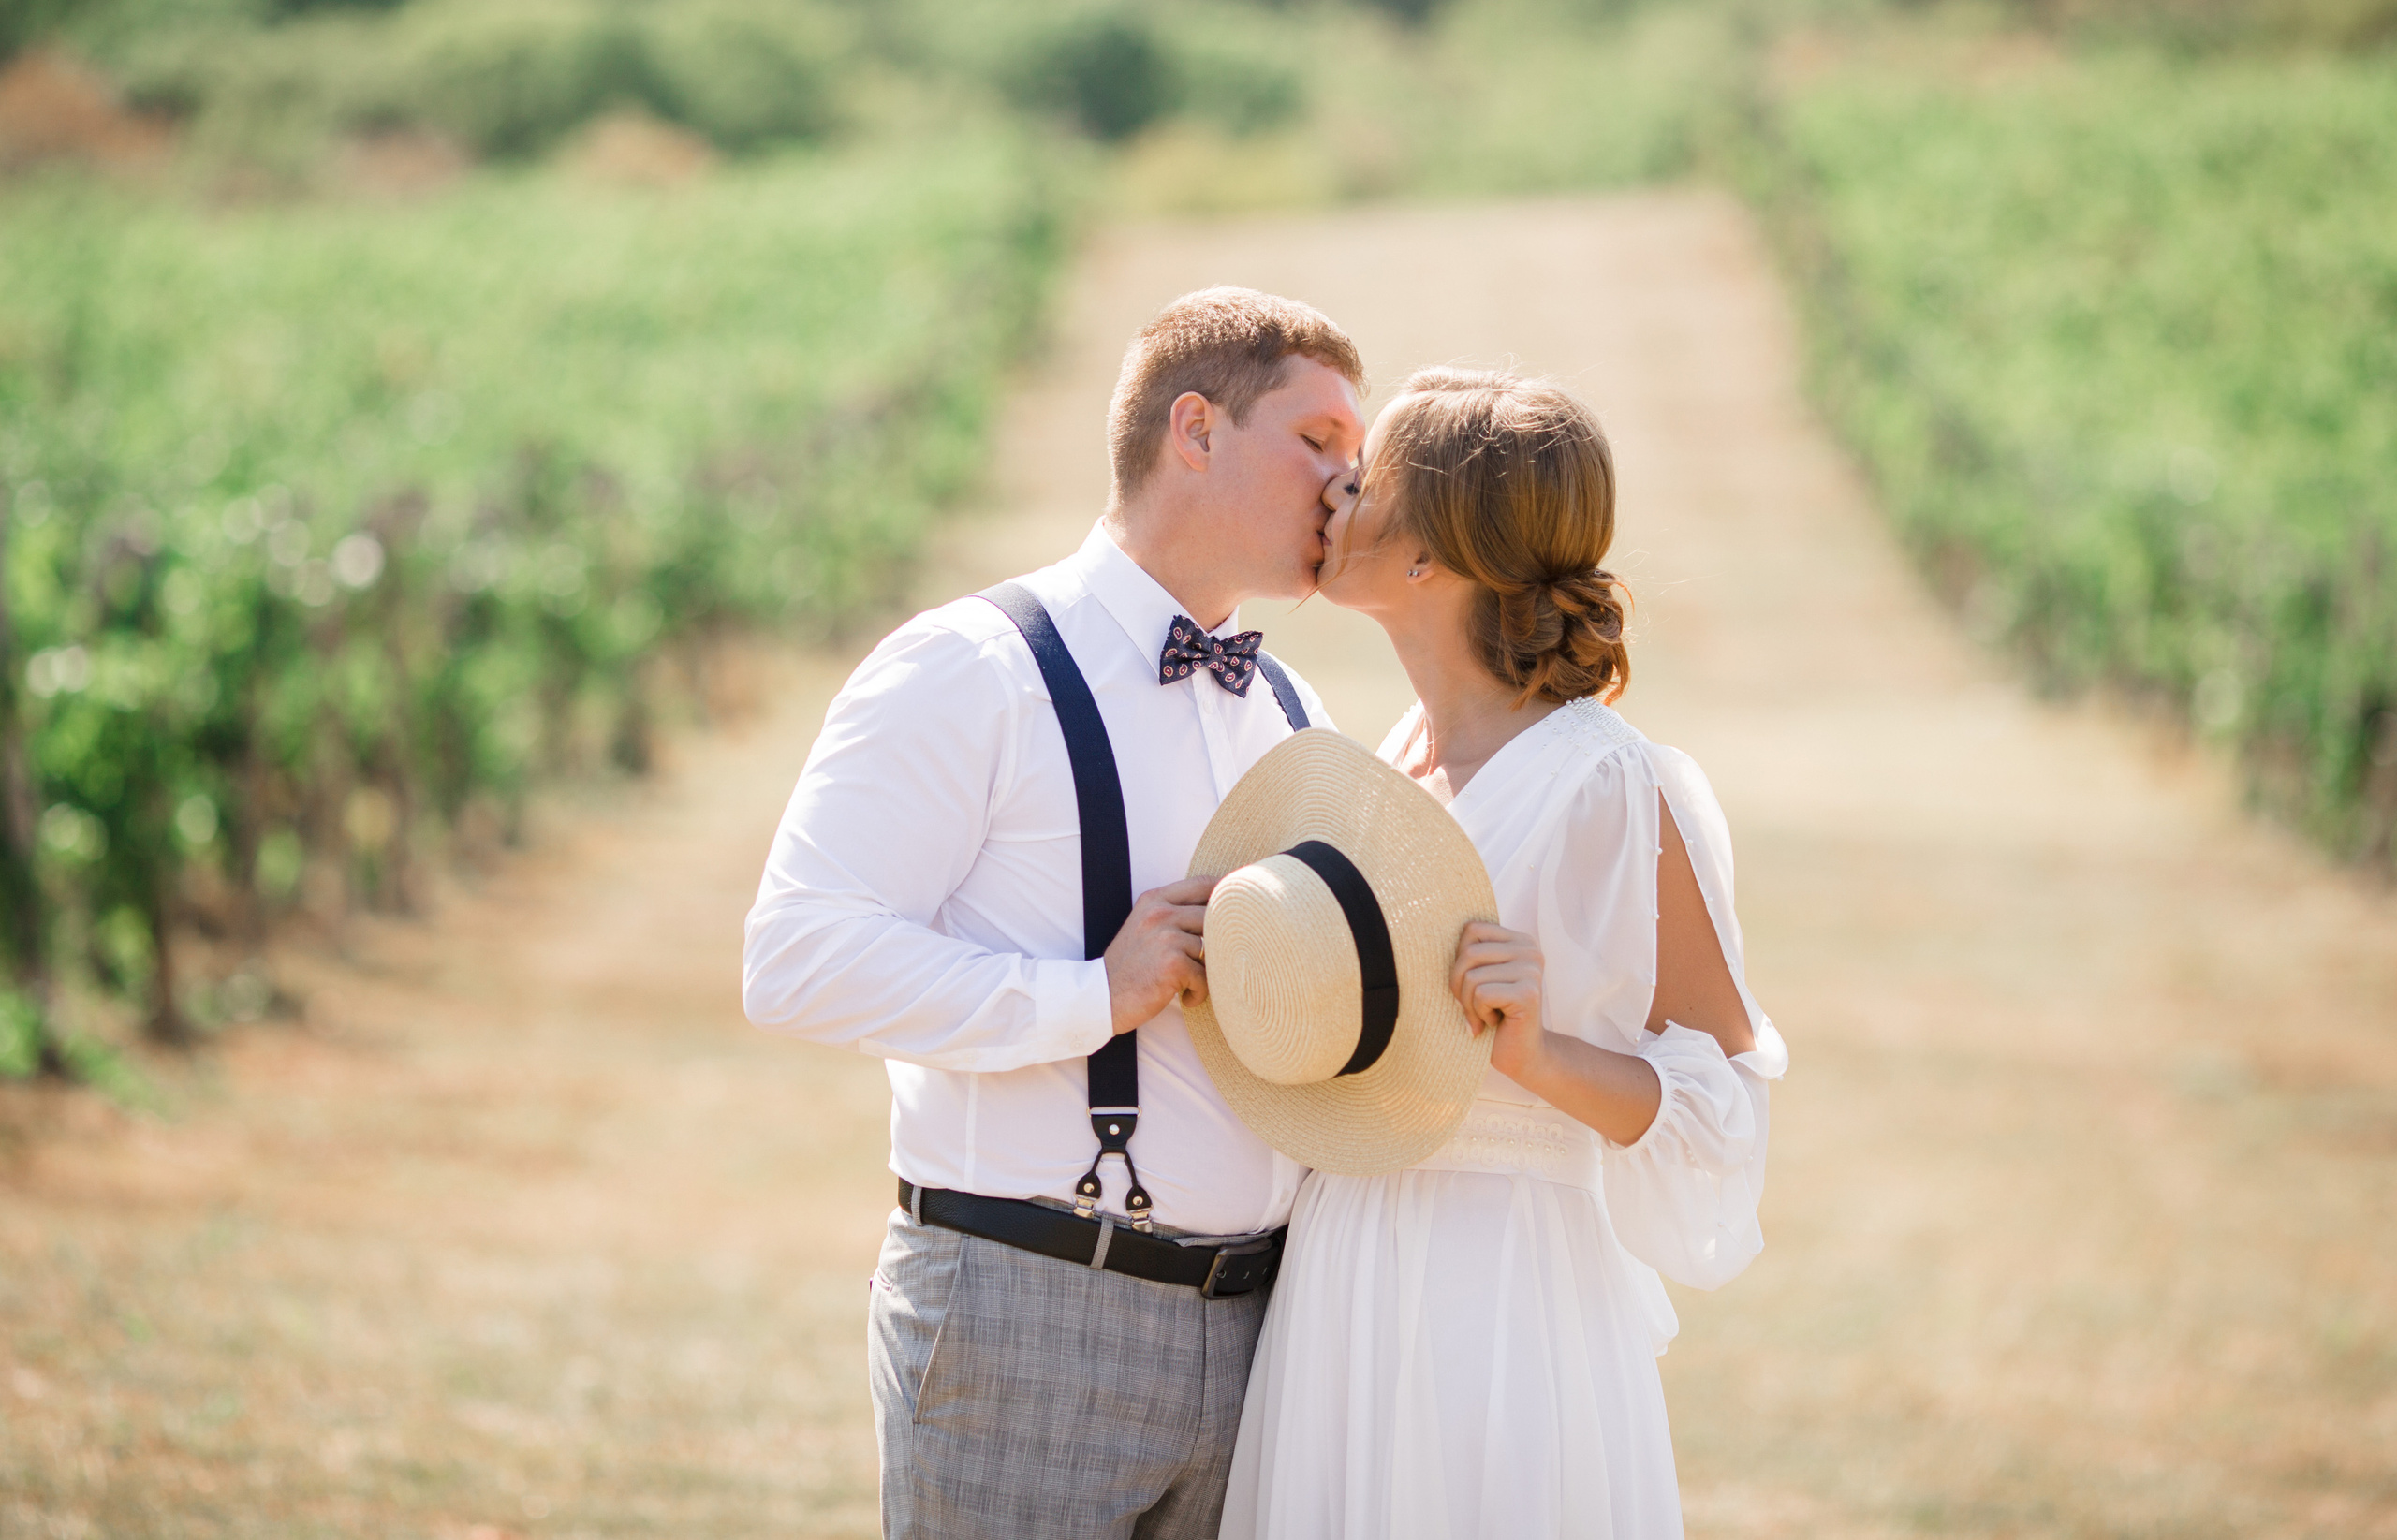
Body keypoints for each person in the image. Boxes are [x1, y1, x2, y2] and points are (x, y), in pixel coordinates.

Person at [742, 287, 1366, 1539]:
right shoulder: (972, 667)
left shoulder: (1295, 713)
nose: (1348, 488)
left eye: (1359, 459)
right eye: (1318, 444)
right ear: (1196, 430)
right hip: (1030, 1314)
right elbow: (796, 958)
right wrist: (1091, 996)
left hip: (1268, 1334)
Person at [1220, 367, 1790, 1539]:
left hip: (1499, 1294)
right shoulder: (1394, 753)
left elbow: (1724, 1110)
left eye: (1363, 481)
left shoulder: (1609, 784)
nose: (1332, 490)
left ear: (1429, 558)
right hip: (1340, 1274)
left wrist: (1539, 1056)